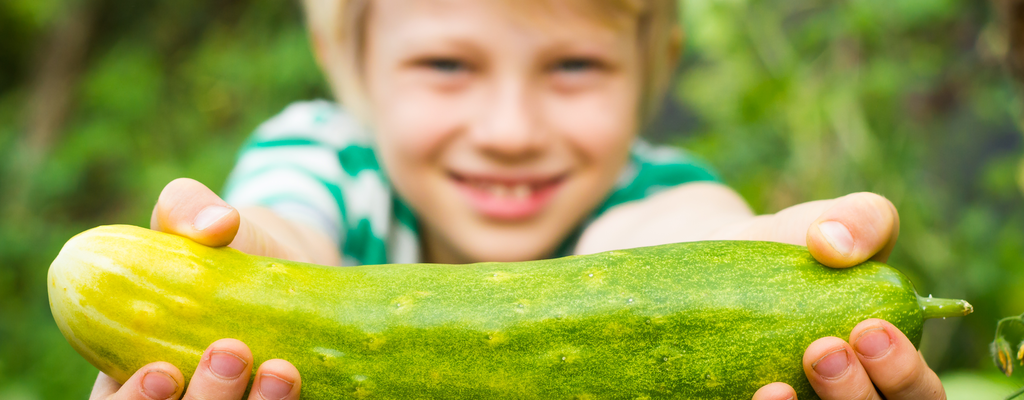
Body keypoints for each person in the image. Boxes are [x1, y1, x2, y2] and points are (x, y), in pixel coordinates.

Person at [90, 0, 945, 399]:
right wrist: (239, 273)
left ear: (657, 66)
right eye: (446, 65)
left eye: (574, 67)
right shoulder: (321, 156)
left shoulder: (654, 188)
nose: (510, 129)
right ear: (345, 61)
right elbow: (286, 228)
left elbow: (688, 240)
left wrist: (767, 255)